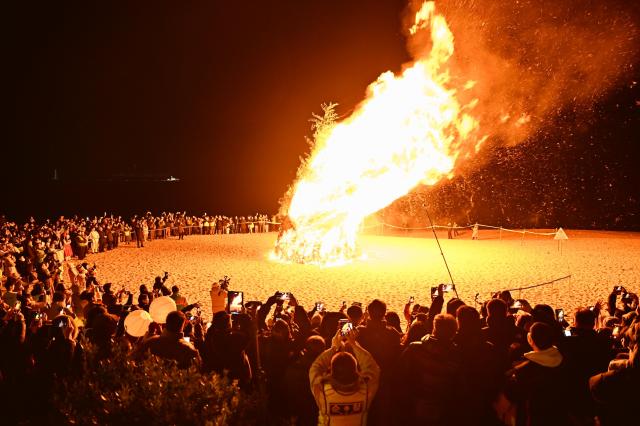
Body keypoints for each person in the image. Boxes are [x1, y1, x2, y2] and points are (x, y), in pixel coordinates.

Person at [395, 313, 467, 425]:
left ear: (434, 329)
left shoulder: (415, 348)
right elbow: (460, 386)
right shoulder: (457, 355)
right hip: (443, 409)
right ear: (453, 332)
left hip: (415, 405)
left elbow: (400, 375)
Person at [309, 328, 380, 426]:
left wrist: (334, 347)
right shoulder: (366, 390)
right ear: (356, 371)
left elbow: (315, 368)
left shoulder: (322, 390)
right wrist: (353, 344)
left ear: (332, 372)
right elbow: (372, 367)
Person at [502, 322, 568, 426]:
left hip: (535, 417)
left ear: (531, 340)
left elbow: (513, 394)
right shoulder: (563, 359)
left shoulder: (526, 369)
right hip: (559, 414)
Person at [132, 311, 201, 369]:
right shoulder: (188, 349)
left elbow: (134, 360)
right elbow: (196, 372)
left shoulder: (150, 342)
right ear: (183, 325)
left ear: (166, 322)